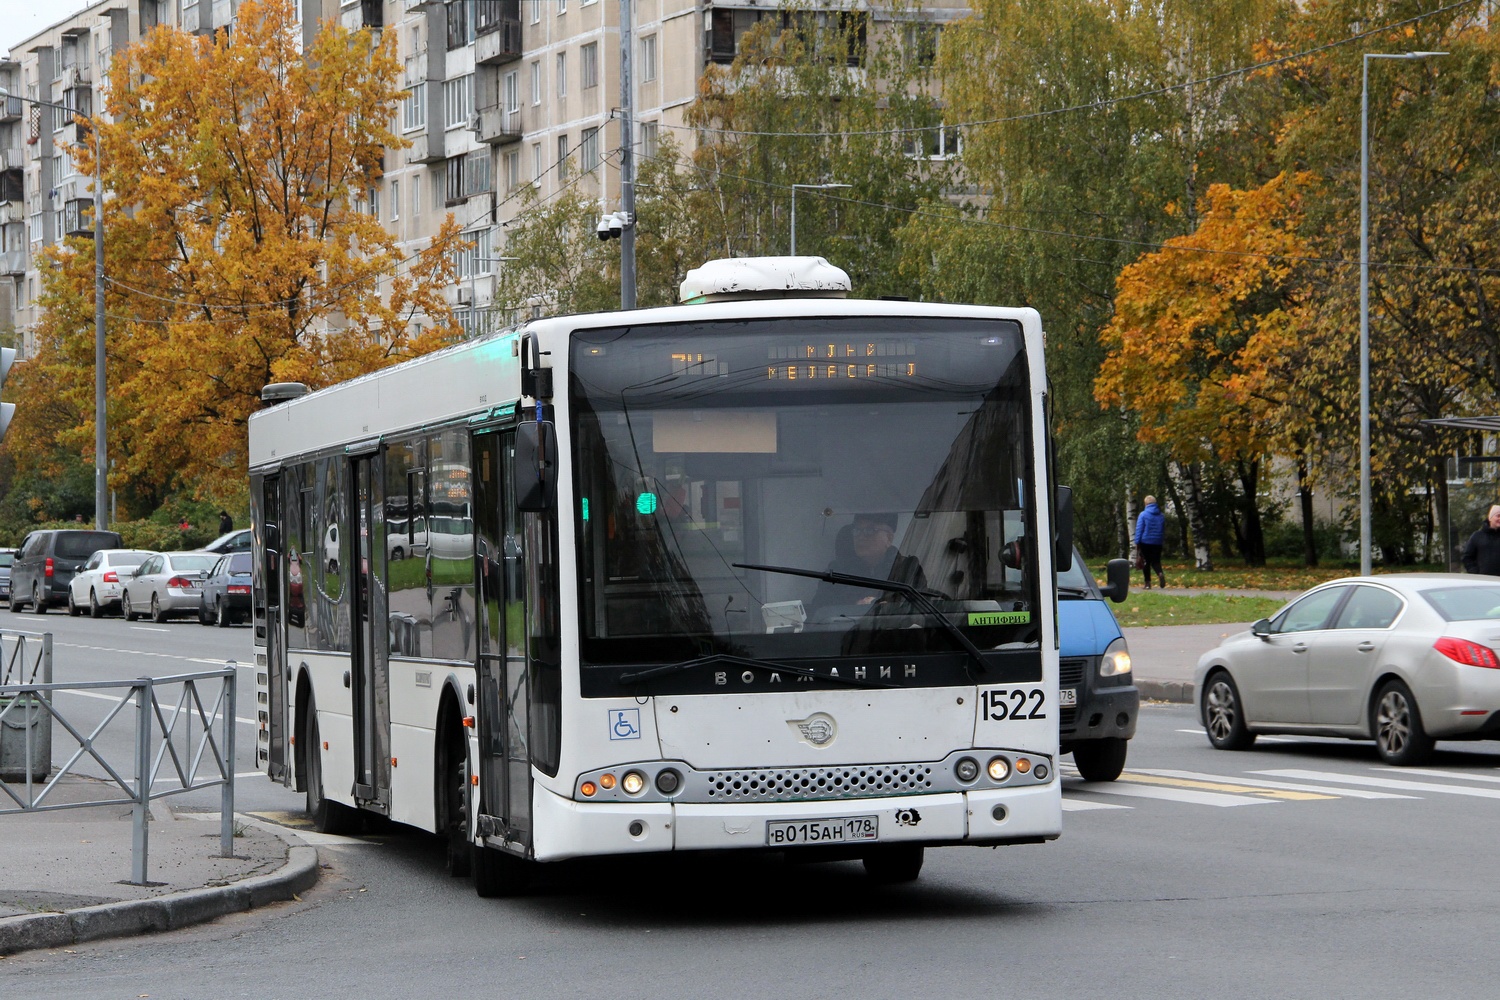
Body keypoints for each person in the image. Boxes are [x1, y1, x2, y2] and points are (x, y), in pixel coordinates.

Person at [810, 512, 927, 610]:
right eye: (856, 530)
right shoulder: (837, 570)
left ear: (889, 538)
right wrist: (855, 606)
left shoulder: (908, 569)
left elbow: (919, 612)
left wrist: (887, 607)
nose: (860, 537)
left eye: (870, 530)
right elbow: (819, 609)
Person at [1134, 495, 1166, 590]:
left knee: (1146, 562)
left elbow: (1139, 529)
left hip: (1145, 542)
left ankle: (1147, 583)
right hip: (1157, 542)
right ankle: (1160, 573)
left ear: (1146, 503)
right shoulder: (1161, 515)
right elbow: (1163, 529)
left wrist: (1137, 542)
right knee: (1156, 561)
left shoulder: (1143, 514)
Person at [1461, 504, 1500, 576]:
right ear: (1490, 518)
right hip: (1484, 581)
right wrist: (1476, 573)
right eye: (1498, 516)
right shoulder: (1477, 536)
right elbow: (1467, 557)